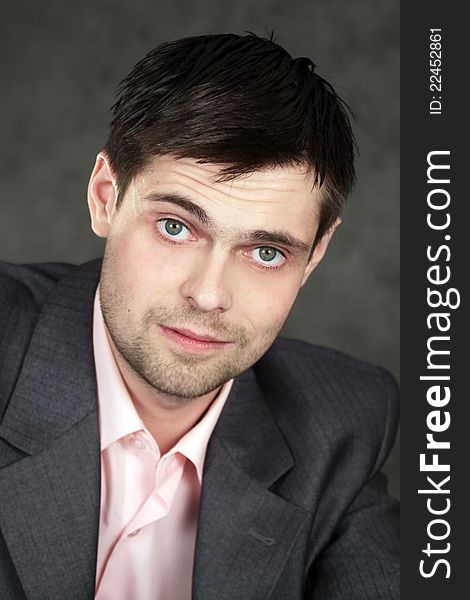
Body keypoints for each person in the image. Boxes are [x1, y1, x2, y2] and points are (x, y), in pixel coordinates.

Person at [0, 33, 399, 599]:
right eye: (175, 226)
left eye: (266, 253)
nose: (209, 295)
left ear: (314, 256)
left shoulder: (341, 425)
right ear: (105, 196)